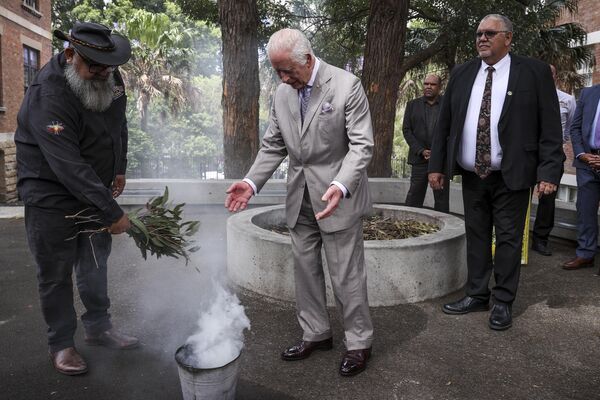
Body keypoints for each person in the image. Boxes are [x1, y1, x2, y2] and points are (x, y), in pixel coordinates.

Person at [225, 28, 374, 376]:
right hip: (299, 197)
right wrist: (250, 182)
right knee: (305, 272)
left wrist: (340, 183)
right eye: (277, 71)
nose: (282, 78)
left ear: (307, 59)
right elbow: (273, 144)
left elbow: (361, 145)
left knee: (346, 275)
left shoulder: (346, 85)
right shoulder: (282, 93)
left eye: (287, 70)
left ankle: (359, 342)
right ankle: (316, 333)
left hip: (338, 197)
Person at [15, 22, 138, 376]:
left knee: (95, 261)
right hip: (50, 192)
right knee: (55, 273)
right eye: (94, 66)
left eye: (109, 66)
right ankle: (62, 344)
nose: (103, 74)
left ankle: (99, 327)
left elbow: (118, 125)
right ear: (71, 56)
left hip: (94, 187)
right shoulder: (48, 94)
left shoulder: (110, 77)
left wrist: (119, 167)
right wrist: (111, 211)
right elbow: (66, 164)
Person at [428, 14, 563, 331]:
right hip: (473, 174)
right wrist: (437, 167)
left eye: (490, 33)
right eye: (478, 33)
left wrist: (549, 172)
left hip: (512, 174)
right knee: (475, 236)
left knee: (508, 239)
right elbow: (445, 125)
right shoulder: (462, 74)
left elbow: (551, 129)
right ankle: (476, 294)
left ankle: (502, 300)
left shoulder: (534, 73)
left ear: (508, 38)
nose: (482, 38)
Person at [531, 65, 576, 256]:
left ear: (555, 76)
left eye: (550, 74)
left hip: (552, 154)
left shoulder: (567, 100)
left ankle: (541, 240)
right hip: (528, 153)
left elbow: (569, 129)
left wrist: (556, 144)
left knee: (547, 200)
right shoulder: (526, 97)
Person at [561, 83, 600, 271]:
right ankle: (585, 254)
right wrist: (581, 154)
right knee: (585, 210)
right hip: (586, 163)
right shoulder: (588, 93)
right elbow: (575, 128)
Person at [403, 74, 449, 212]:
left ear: (439, 87)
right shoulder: (412, 105)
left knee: (441, 198)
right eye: (426, 84)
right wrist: (421, 150)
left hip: (440, 160)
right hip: (419, 159)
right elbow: (406, 130)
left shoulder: (447, 105)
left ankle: (444, 232)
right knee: (414, 196)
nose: (428, 86)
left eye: (433, 84)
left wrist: (438, 152)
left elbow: (451, 131)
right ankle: (409, 224)